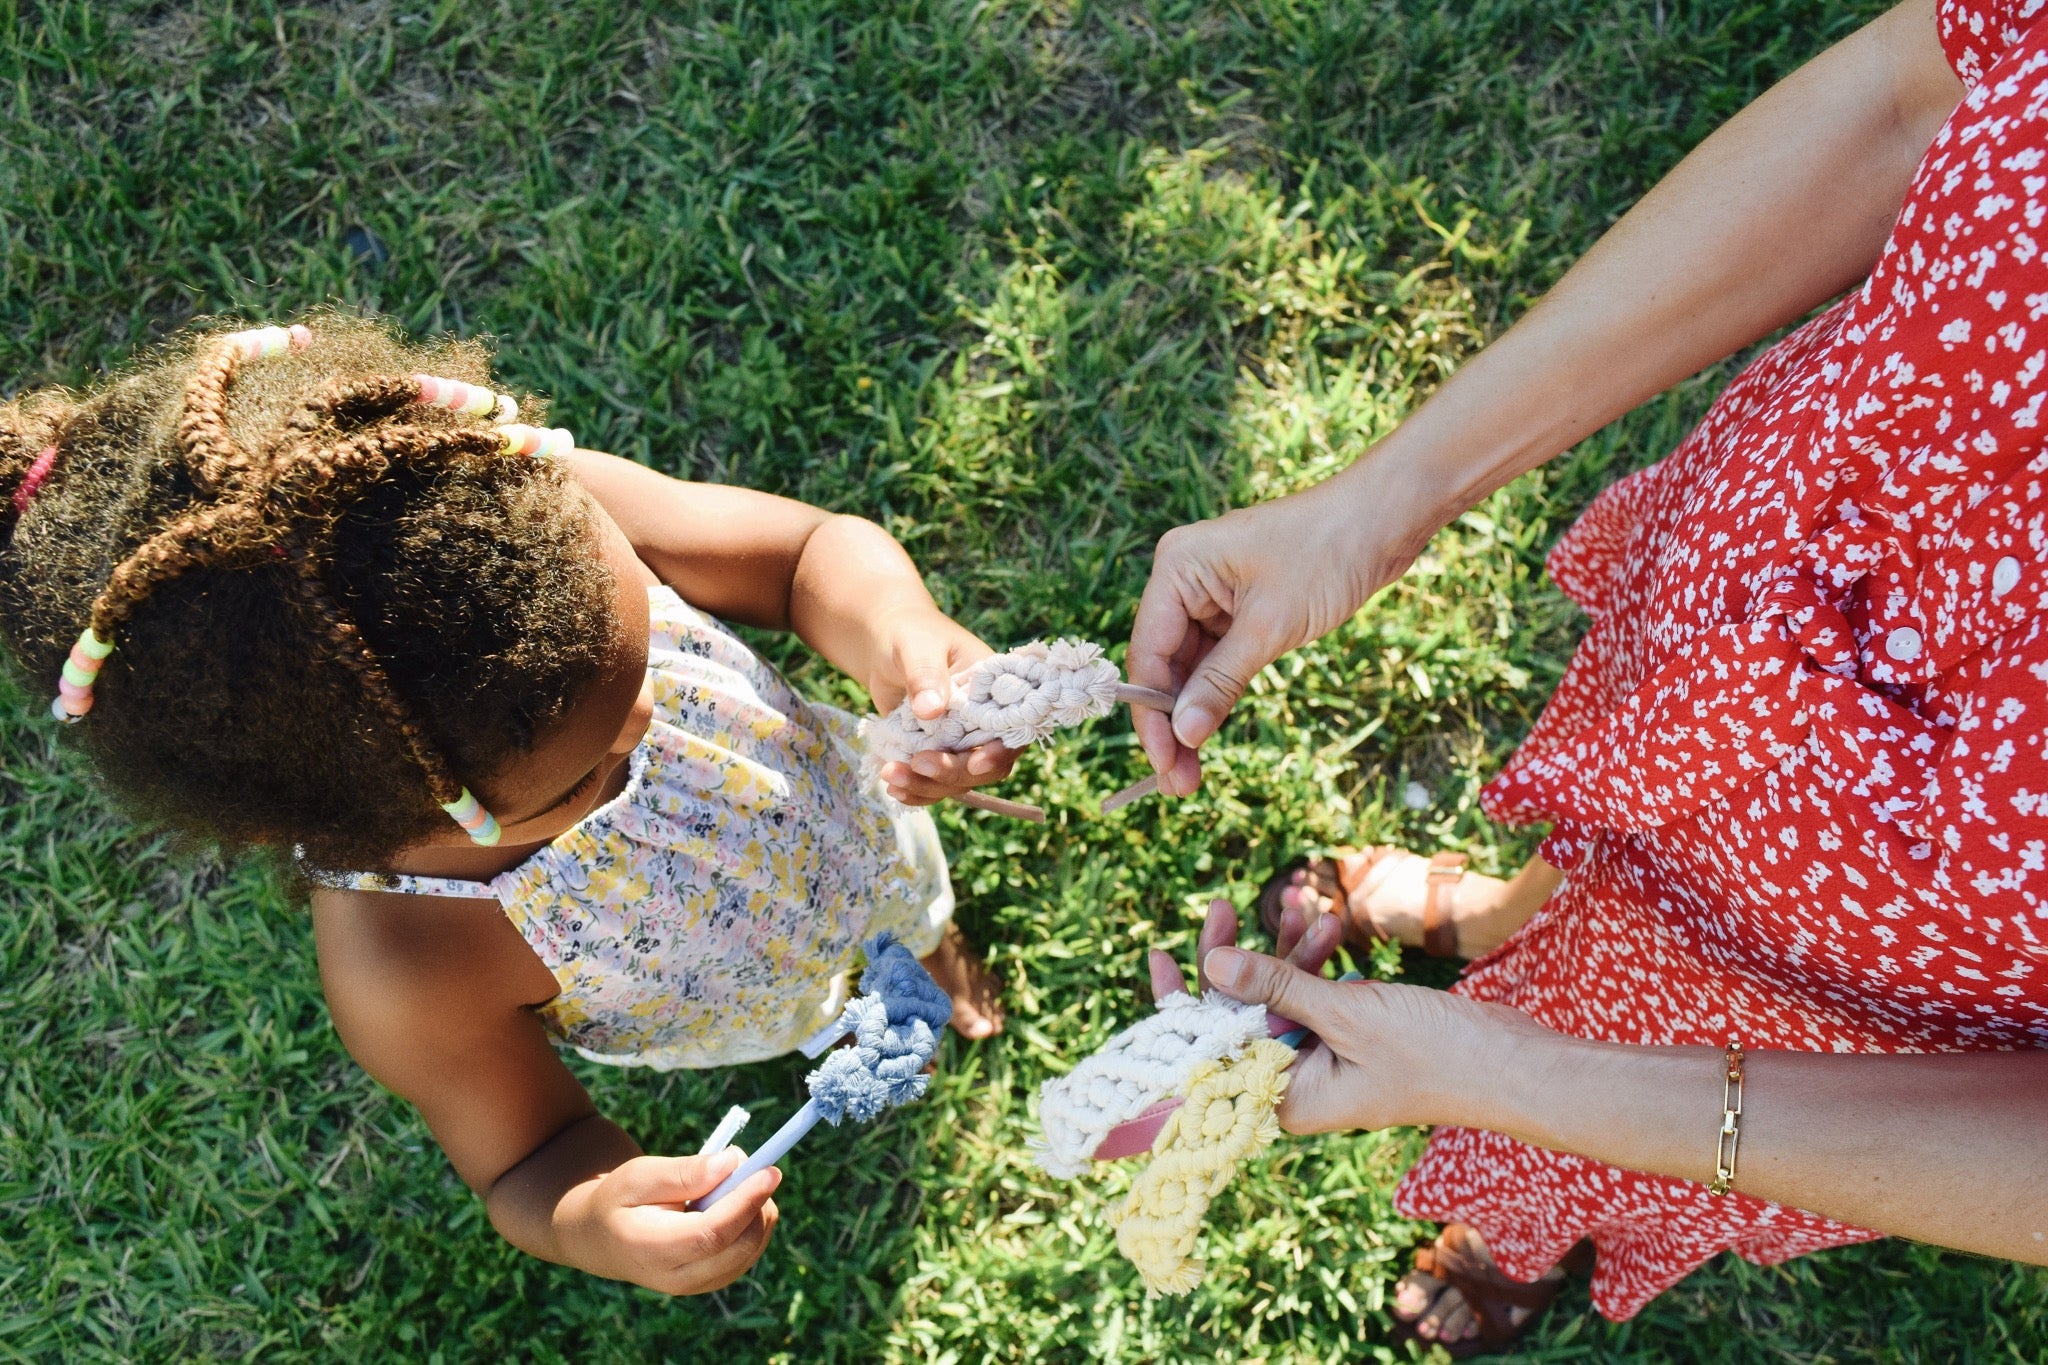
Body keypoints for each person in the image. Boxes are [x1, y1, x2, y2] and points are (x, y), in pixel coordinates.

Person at [1129, 0, 2048, 1352]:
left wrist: (1516, 1079)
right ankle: (1506, 920)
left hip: (1893, 950)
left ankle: (1524, 1219)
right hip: (1760, 584)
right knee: (1615, 827)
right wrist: (1383, 498)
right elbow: (1915, 96)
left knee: (1629, 1082)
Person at [0, 312, 1018, 1296]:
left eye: (642, 660)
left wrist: (896, 633)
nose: (648, 725)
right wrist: (597, 1216)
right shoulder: (409, 967)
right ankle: (850, 1008)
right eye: (579, 785)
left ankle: (930, 947)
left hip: (848, 816)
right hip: (740, 990)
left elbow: (798, 559)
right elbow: (531, 1157)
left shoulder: (541, 517)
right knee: (830, 995)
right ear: (360, 826)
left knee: (906, 900)